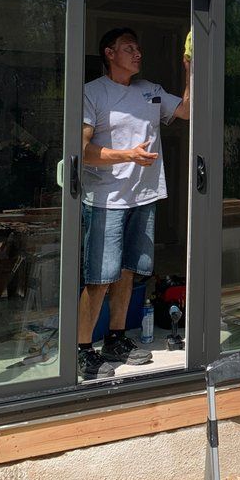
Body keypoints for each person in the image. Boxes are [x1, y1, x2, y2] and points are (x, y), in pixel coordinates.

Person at [78, 26, 190, 380]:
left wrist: (190, 67)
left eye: (138, 48)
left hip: (143, 197)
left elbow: (187, 111)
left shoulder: (151, 92)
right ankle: (82, 350)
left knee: (128, 271)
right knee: (99, 278)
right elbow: (81, 151)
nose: (137, 53)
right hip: (106, 199)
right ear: (109, 54)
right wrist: (126, 155)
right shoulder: (92, 94)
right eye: (129, 48)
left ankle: (115, 339)